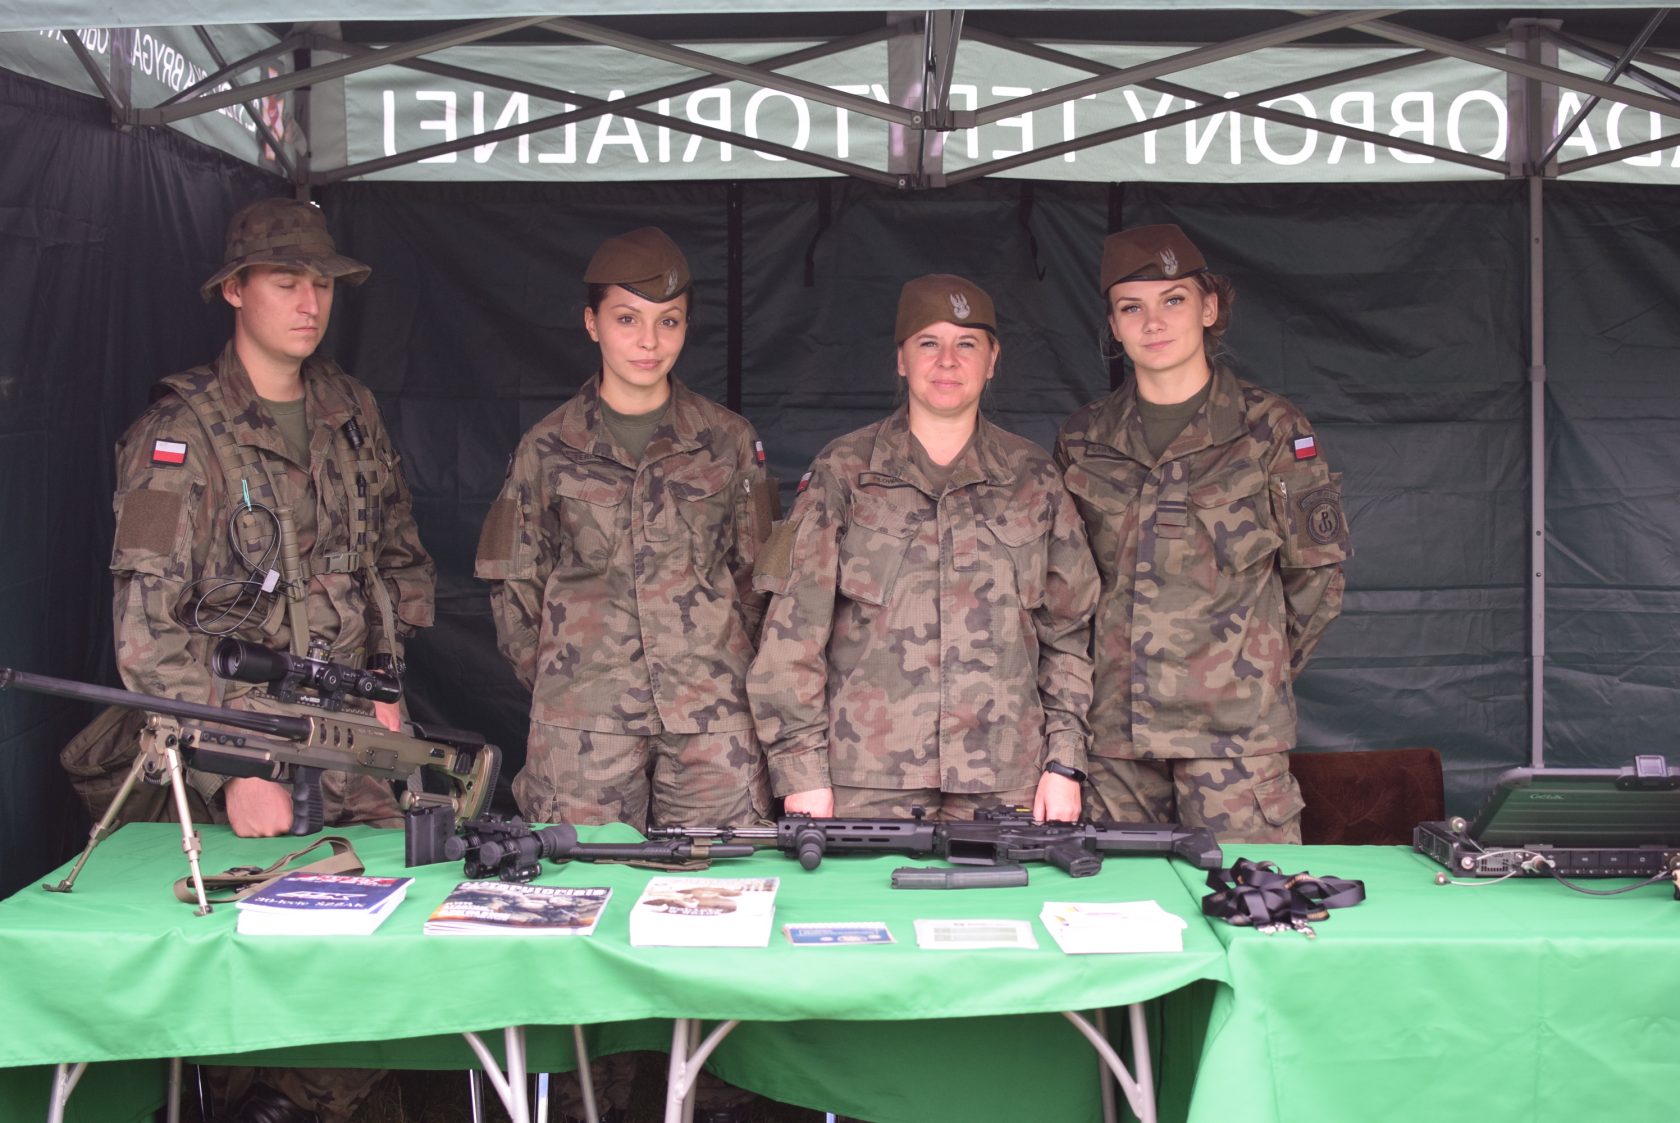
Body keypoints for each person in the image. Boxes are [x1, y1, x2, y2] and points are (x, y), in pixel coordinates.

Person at [106, 197, 435, 1121]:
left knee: (402, 936)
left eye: (321, 284)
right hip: (250, 746)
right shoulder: (180, 437)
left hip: (363, 742)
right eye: (286, 283)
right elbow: (147, 635)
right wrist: (231, 765)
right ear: (235, 291)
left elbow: (398, 560)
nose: (309, 303)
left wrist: (386, 684)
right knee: (272, 963)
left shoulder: (350, 410)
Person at [475, 226, 774, 1123]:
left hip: (709, 726)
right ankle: (582, 1102)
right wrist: (571, 687)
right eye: (630, 319)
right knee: (578, 920)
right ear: (591, 323)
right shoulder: (547, 448)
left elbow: (760, 580)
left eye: (669, 320)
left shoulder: (727, 442)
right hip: (583, 730)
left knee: (721, 915)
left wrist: (718, 674)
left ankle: (712, 1100)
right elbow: (513, 589)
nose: (650, 340)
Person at [749, 274, 1098, 823]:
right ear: (901, 360)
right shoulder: (844, 471)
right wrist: (801, 772)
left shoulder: (1034, 477)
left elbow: (1069, 634)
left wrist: (1065, 763)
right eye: (928, 343)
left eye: (967, 344)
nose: (947, 361)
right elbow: (793, 631)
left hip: (1009, 781)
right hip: (866, 783)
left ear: (993, 360)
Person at [1055, 223, 1351, 844]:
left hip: (1235, 744)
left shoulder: (1271, 429)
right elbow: (1063, 592)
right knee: (1121, 904)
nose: (1153, 323)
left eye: (1174, 300)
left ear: (1209, 308)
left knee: (1247, 900)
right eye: (1131, 307)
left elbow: (1316, 580)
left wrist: (1249, 673)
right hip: (1115, 743)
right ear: (1113, 325)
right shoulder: (1084, 439)